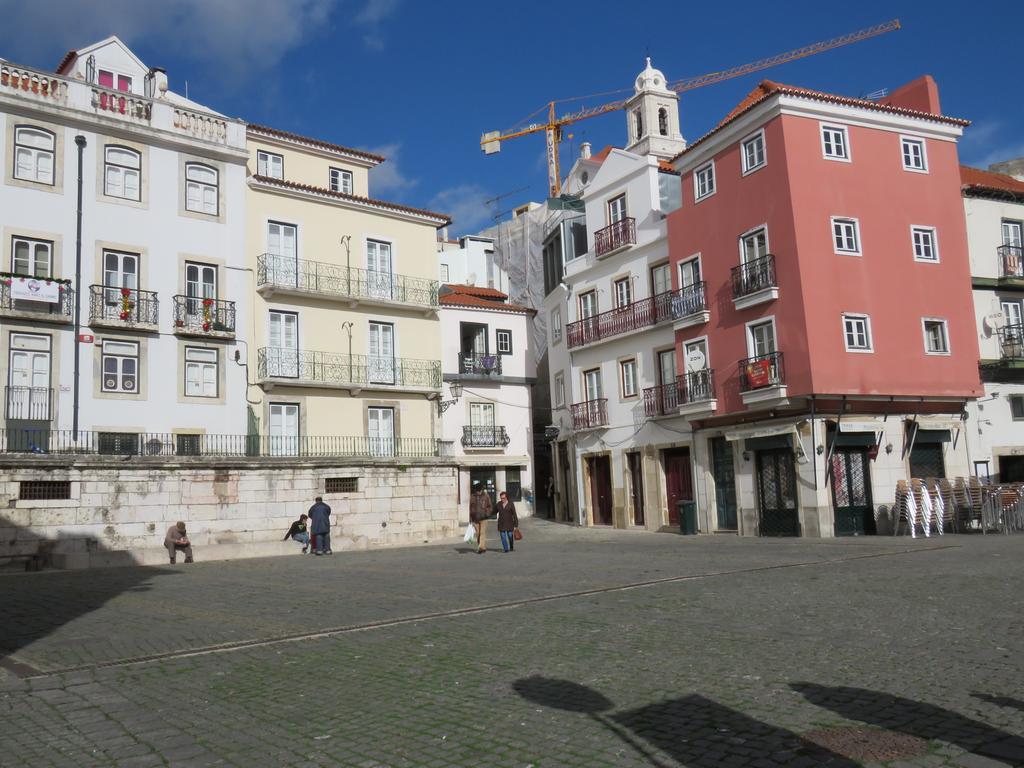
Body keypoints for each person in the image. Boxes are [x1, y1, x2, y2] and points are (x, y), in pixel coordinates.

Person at [469, 483, 493, 554]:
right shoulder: (472, 497)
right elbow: (470, 508)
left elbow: (490, 506)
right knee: (478, 533)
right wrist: (470, 519)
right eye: (477, 491)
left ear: (481, 490)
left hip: (484, 518)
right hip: (475, 518)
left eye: (479, 490)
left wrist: (487, 513)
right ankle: (483, 547)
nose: (478, 492)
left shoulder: (486, 496)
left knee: (482, 533)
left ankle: (480, 548)